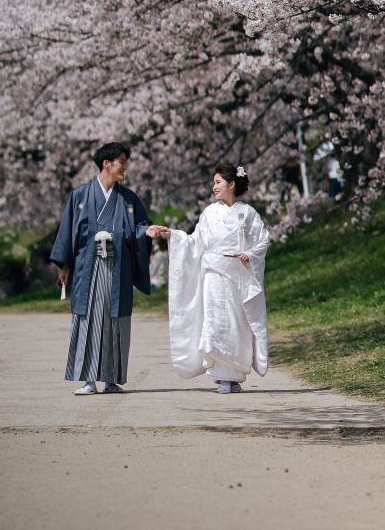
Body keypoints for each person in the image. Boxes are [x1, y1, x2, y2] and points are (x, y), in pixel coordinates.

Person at [147, 163, 269, 394]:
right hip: (214, 275)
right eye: (213, 182)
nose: (214, 187)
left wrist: (249, 255)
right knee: (215, 323)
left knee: (236, 324)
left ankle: (234, 375)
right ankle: (222, 377)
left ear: (231, 184)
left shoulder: (248, 213)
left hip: (237, 275)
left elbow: (262, 241)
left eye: (218, 182)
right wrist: (174, 235)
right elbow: (195, 243)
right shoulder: (209, 213)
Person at [51, 142, 153, 395]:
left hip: (118, 268)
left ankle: (111, 379)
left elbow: (139, 226)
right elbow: (68, 231)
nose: (125, 167)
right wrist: (65, 266)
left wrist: (146, 231)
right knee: (89, 319)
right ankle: (88, 380)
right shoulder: (80, 196)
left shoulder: (128, 198)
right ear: (106, 163)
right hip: (89, 267)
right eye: (121, 161)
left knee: (115, 321)